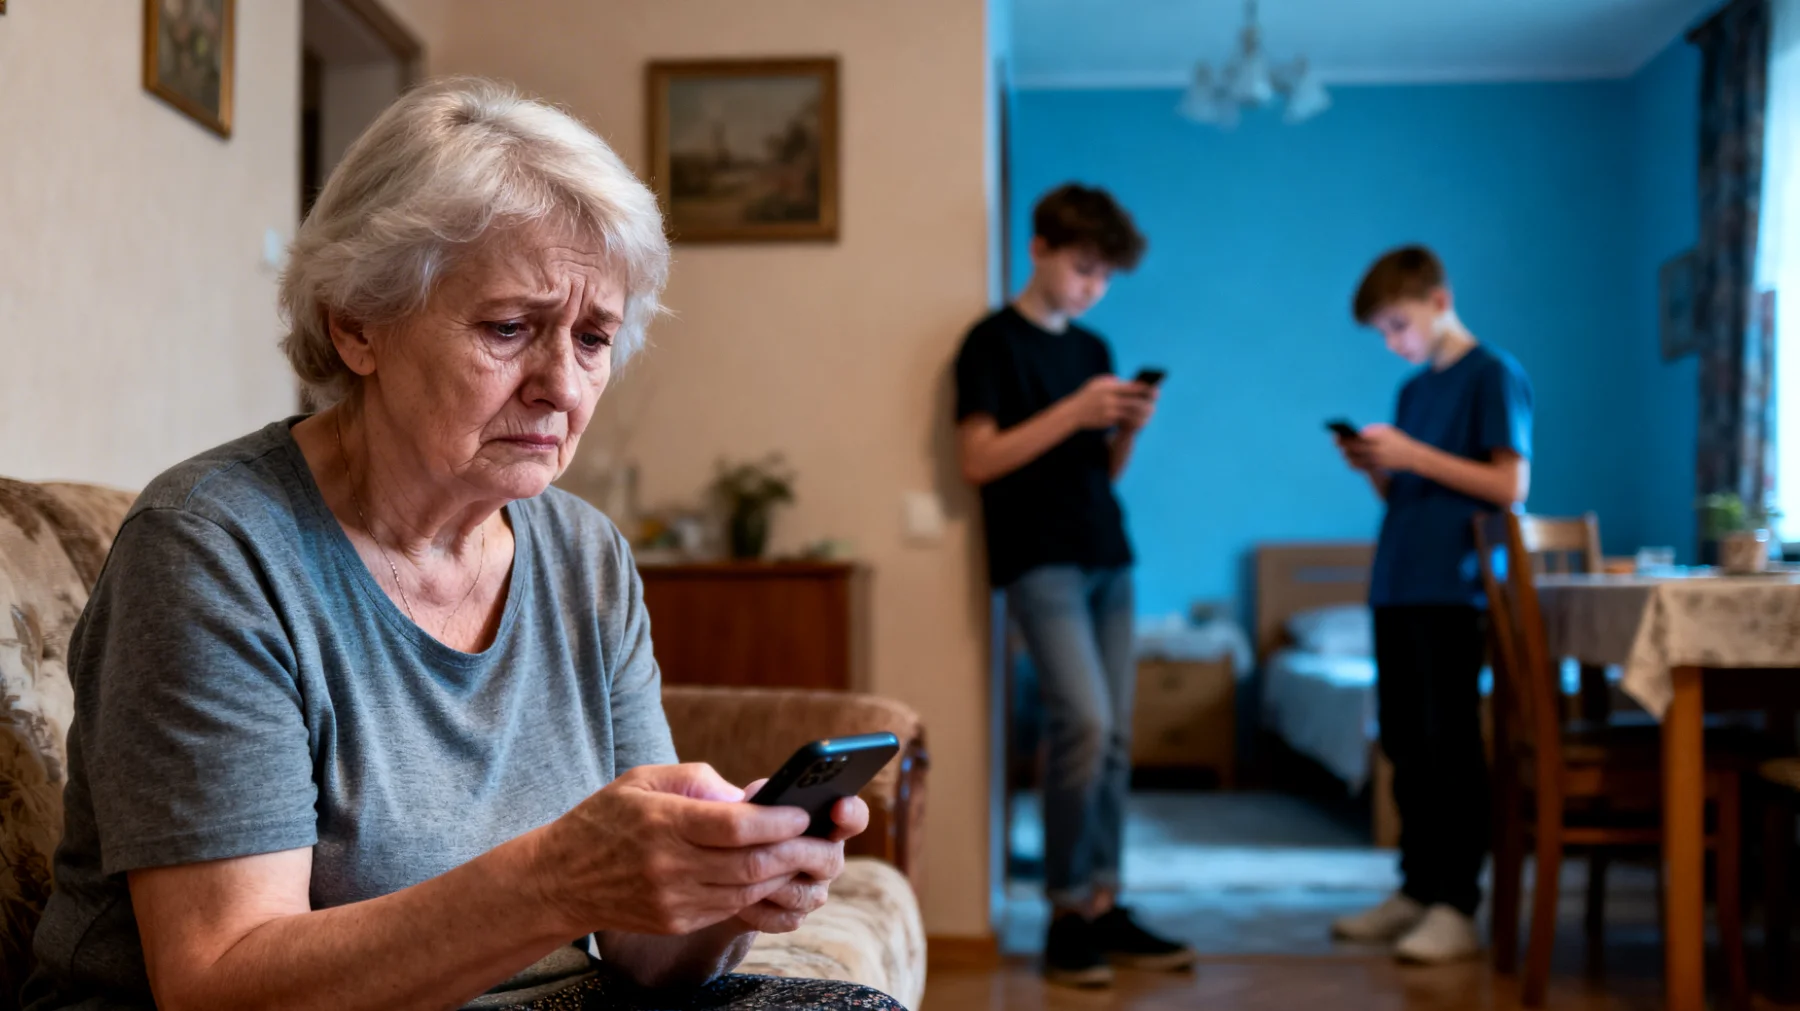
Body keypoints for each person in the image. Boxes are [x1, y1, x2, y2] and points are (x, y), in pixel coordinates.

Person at [21, 79, 900, 1011]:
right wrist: (557, 877)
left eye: (594, 337)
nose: (562, 385)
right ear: (357, 324)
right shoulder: (213, 551)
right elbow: (221, 984)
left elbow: (647, 959)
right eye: (510, 328)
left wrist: (728, 890)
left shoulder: (584, 554)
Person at [953, 184, 1197, 988]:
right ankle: (1063, 909)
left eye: (1105, 277)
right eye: (1084, 269)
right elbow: (979, 460)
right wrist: (1075, 409)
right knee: (1083, 723)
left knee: (1118, 735)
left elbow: (1102, 470)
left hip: (1107, 551)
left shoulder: (1093, 350)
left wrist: (1123, 426)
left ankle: (1104, 901)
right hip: (1038, 557)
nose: (1094, 287)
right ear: (1040, 248)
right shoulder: (991, 343)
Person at [1329, 245, 1533, 964]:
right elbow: (1416, 490)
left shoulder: (1493, 375)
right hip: (1397, 580)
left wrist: (1413, 455)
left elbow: (1510, 486)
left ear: (1439, 300)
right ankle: (1415, 888)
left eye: (1398, 324)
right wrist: (1380, 467)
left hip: (1455, 586)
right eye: (1382, 331)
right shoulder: (1414, 393)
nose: (1393, 342)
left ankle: (1456, 901)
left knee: (1451, 744)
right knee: (1406, 742)